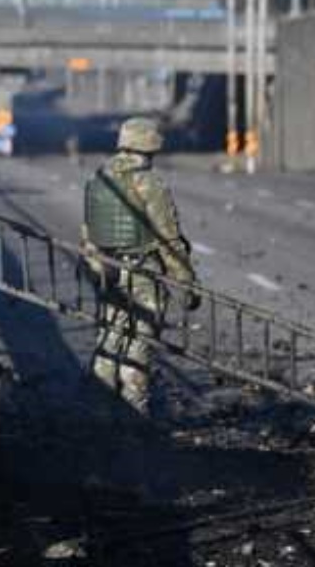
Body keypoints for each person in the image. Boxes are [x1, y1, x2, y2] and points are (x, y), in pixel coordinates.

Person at [80, 116, 199, 415]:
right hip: (141, 273)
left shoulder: (99, 178)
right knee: (139, 344)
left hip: (105, 270)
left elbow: (88, 231)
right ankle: (135, 418)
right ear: (150, 145)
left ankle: (98, 414)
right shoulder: (150, 184)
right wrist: (186, 284)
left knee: (109, 337)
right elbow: (168, 240)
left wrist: (95, 268)